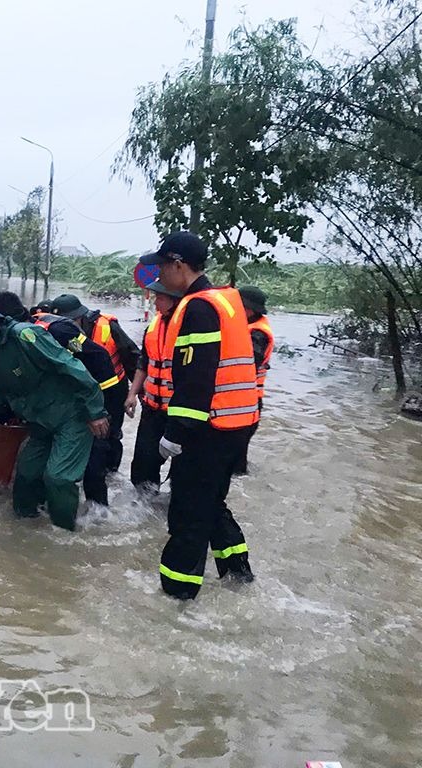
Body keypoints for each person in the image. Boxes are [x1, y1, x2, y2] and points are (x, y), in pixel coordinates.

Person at [140, 231, 259, 599]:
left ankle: (176, 599)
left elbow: (196, 379)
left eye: (162, 266)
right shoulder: (225, 301)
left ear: (178, 265)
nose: (159, 275)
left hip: (208, 429)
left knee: (187, 515)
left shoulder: (199, 307)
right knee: (210, 503)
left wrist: (174, 434)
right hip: (235, 425)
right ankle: (238, 574)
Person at [0, 299, 109, 531]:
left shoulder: (25, 335)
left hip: (72, 416)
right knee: (26, 476)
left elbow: (69, 365)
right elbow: (1, 393)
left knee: (58, 478)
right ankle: (25, 530)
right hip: (40, 423)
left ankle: (64, 534)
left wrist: (96, 410)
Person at [0, 290, 119, 508]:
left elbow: (96, 358)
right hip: (58, 408)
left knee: (93, 460)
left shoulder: (56, 331)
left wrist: (98, 410)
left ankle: (98, 514)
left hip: (95, 395)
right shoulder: (10, 343)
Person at [50, 293, 137, 473]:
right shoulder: (59, 332)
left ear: (79, 318)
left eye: (69, 322)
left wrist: (134, 394)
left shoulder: (108, 326)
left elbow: (132, 357)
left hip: (114, 387)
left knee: (110, 434)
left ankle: (111, 473)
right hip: (85, 389)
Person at [125, 280, 183, 491]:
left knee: (182, 468)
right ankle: (143, 508)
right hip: (152, 407)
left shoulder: (188, 327)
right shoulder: (153, 326)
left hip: (179, 411)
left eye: (159, 298)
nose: (155, 303)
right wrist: (132, 394)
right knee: (142, 462)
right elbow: (144, 363)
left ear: (174, 300)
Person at [234, 285, 273, 474]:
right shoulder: (248, 328)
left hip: (246, 403)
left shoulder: (257, 334)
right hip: (244, 403)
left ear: (248, 310)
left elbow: (245, 365)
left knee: (234, 460)